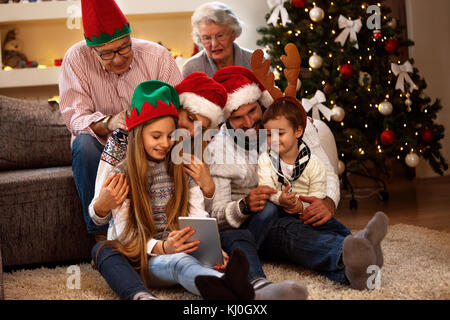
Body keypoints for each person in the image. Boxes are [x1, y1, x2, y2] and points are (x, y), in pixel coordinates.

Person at [209, 65, 389, 290]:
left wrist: (327, 202)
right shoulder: (219, 151)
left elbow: (324, 170)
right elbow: (216, 216)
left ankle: (356, 264)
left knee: (305, 223)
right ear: (225, 119)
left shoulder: (286, 123)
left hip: (292, 207)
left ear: (261, 103)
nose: (248, 123)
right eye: (237, 118)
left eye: (252, 111)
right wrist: (243, 206)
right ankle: (348, 250)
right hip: (253, 226)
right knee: (278, 221)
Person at [91, 80, 254, 300]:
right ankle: (144, 295)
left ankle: (250, 284)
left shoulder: (183, 160)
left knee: (230, 239)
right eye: (156, 136)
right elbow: (125, 234)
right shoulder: (122, 168)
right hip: (140, 251)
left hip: (176, 245)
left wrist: (209, 251)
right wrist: (164, 247)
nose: (166, 143)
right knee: (104, 251)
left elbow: (198, 216)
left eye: (170, 136)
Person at [59, 0, 182, 235]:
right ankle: (101, 238)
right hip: (101, 145)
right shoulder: (75, 59)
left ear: (130, 36)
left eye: (124, 48)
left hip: (153, 143)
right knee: (84, 145)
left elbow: (180, 106)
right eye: (106, 53)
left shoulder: (157, 56)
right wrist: (109, 123)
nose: (117, 58)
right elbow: (74, 118)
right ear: (91, 49)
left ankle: (169, 228)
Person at [252, 96, 328, 241]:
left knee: (328, 223)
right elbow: (266, 188)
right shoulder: (265, 159)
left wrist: (300, 206)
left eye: (280, 133)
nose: (274, 139)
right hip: (278, 209)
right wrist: (280, 198)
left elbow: (318, 196)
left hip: (304, 213)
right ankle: (251, 241)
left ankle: (357, 241)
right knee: (265, 211)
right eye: (269, 134)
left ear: (298, 131)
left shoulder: (314, 164)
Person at [182, 1, 253, 78]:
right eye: (207, 38)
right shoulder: (191, 68)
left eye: (220, 36)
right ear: (199, 39)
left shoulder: (255, 61)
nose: (214, 44)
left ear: (234, 33)